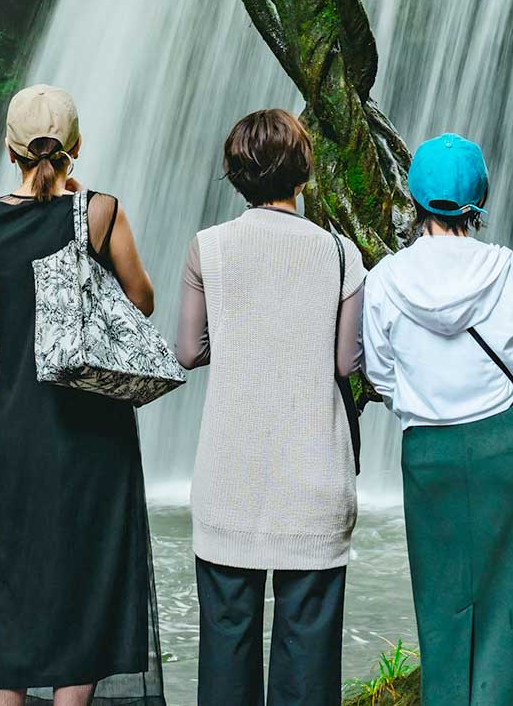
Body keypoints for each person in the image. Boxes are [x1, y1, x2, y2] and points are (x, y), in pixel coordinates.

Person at [0, 83, 166, 706]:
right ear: (76, 147)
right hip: (90, 429)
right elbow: (141, 301)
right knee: (84, 576)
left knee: (14, 582)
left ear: (10, 149)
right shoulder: (100, 212)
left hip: (18, 427)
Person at [174, 110, 365, 706]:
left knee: (227, 646)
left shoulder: (210, 247)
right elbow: (345, 362)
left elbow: (187, 350)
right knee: (307, 655)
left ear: (236, 176)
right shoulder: (340, 254)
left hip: (230, 478)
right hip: (313, 479)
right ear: (302, 175)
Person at [360, 132, 513, 706]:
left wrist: (427, 399)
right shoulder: (509, 270)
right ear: (478, 201)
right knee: (510, 604)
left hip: (430, 454)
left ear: (413, 199)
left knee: (442, 605)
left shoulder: (386, 280)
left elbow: (381, 373)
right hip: (505, 446)